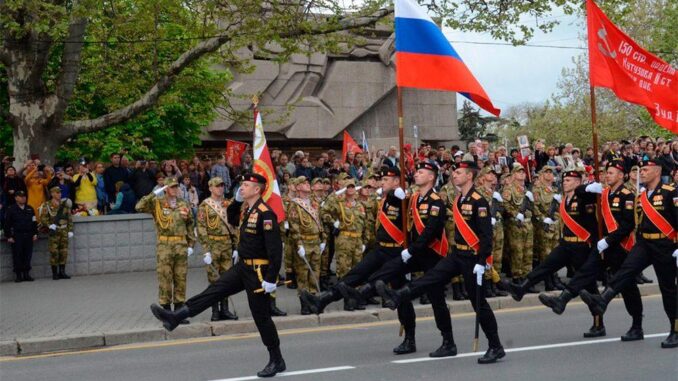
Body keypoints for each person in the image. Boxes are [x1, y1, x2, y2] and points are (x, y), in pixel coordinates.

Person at [150, 173, 287, 377]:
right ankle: (176, 316)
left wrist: (270, 278)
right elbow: (231, 218)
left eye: (246, 185)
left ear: (257, 189)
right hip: (242, 267)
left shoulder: (266, 214)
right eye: (242, 184)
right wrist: (237, 201)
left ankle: (276, 359)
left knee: (261, 317)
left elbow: (275, 250)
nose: (242, 187)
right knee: (215, 290)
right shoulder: (248, 209)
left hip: (258, 272)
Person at [375, 161, 505, 364]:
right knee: (431, 278)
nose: (455, 175)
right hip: (457, 255)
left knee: (478, 303)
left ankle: (496, 346)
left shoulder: (478, 201)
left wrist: (483, 261)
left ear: (469, 176)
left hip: (473, 258)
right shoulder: (458, 199)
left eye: (459, 172)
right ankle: (399, 297)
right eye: (454, 172)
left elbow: (486, 236)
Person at [539, 159, 643, 341]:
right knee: (586, 271)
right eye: (606, 172)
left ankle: (636, 325)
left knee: (628, 288)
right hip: (604, 245)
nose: (607, 175)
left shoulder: (627, 195)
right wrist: (588, 187)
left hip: (620, 246)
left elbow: (628, 225)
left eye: (611, 173)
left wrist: (608, 240)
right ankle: (562, 299)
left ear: (621, 175)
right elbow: (578, 191)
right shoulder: (602, 193)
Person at [579, 159, 677, 349]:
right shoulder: (640, 196)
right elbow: (638, 223)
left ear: (657, 172)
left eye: (646, 169)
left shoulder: (670, 192)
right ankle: (604, 299)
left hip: (665, 245)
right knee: (626, 270)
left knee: (668, 289)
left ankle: (675, 329)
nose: (642, 172)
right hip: (645, 242)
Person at [507, 169, 605, 337]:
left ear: (577, 182)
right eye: (564, 180)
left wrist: (585, 187)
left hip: (582, 247)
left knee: (589, 288)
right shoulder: (563, 199)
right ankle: (522, 288)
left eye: (569, 180)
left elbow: (592, 213)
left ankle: (598, 323)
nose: (564, 182)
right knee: (547, 265)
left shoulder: (585, 198)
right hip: (566, 244)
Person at [136, 177, 195, 322]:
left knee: (180, 278)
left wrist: (191, 245)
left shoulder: (183, 203)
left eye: (177, 187)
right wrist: (155, 193)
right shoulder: (157, 203)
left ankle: (179, 312)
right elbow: (139, 206)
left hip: (181, 245)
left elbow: (190, 225)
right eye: (172, 187)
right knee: (165, 277)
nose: (175, 189)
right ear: (166, 189)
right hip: (165, 246)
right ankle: (166, 312)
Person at [197, 177, 238, 321]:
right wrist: (206, 249)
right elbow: (201, 228)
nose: (220, 188)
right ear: (210, 188)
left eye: (222, 186)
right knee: (214, 280)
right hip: (213, 245)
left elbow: (233, 225)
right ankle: (215, 311)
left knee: (226, 279)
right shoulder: (205, 206)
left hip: (226, 244)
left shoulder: (227, 204)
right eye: (217, 186)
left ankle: (225, 309)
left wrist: (235, 246)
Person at [287, 176, 325, 314]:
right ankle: (304, 304)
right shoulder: (294, 204)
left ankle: (314, 302)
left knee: (315, 274)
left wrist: (324, 240)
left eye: (308, 182)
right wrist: (299, 245)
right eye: (303, 183)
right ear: (297, 187)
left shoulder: (314, 203)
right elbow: (294, 226)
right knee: (303, 275)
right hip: (304, 242)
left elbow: (320, 223)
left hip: (315, 242)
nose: (307, 185)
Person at [502, 164, 534, 285]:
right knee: (517, 251)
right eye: (519, 172)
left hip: (527, 223)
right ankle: (517, 276)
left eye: (523, 172)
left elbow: (532, 206)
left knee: (528, 251)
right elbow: (505, 204)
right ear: (513, 174)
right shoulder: (509, 189)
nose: (522, 174)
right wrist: (515, 214)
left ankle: (527, 277)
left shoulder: (526, 189)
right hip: (516, 224)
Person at [39, 186, 74, 280]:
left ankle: (62, 272)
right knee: (54, 252)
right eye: (57, 193)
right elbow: (43, 218)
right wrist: (49, 225)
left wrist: (70, 230)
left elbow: (69, 218)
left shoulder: (64, 205)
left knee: (64, 252)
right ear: (52, 194)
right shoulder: (47, 205)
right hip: (54, 231)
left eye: (60, 193)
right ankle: (55, 273)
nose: (59, 194)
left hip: (64, 230)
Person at [3, 190, 38, 282]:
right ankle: (18, 275)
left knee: (27, 255)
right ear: (16, 198)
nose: (23, 198)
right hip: (17, 235)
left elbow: (34, 222)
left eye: (24, 196)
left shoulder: (30, 208)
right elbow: (7, 224)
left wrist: (35, 233)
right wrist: (9, 236)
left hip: (28, 235)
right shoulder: (11, 209)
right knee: (17, 255)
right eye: (21, 196)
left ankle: (26, 274)